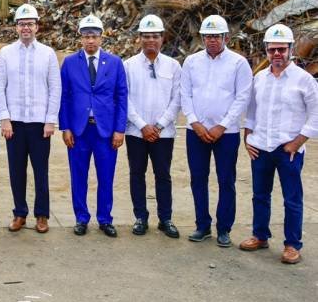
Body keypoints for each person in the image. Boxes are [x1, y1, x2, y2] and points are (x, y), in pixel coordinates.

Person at [240, 24, 318, 264]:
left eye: (281, 50)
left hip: (288, 151)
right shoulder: (259, 79)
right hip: (261, 147)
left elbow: (315, 114)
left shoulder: (304, 80)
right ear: (265, 50)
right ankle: (260, 235)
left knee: (292, 198)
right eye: (272, 49)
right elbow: (251, 113)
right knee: (260, 195)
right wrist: (247, 138)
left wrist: (297, 143)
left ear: (291, 50)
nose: (277, 54)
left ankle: (292, 244)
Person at [181, 14, 252, 247]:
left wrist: (223, 125)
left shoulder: (238, 63)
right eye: (208, 36)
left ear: (226, 37)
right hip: (197, 132)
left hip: (226, 134)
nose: (212, 40)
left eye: (216, 36)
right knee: (198, 179)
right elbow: (186, 94)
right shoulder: (191, 62)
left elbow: (242, 97)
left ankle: (224, 229)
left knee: (226, 180)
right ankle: (202, 225)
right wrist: (195, 122)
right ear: (202, 37)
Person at [0, 4, 61, 233]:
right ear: (16, 28)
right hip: (15, 125)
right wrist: (4, 119)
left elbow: (55, 88)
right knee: (16, 171)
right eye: (22, 24)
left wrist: (51, 120)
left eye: (30, 24)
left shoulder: (48, 54)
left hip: (40, 124)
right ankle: (19, 213)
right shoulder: (5, 54)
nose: (26, 28)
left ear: (37, 27)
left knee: (40, 171)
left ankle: (42, 216)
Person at [60, 14, 128, 238]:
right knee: (78, 176)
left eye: (94, 36)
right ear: (80, 38)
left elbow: (121, 97)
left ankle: (105, 219)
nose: (90, 41)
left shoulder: (115, 63)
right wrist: (66, 127)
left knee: (106, 176)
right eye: (86, 36)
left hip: (105, 132)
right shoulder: (70, 63)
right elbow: (65, 97)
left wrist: (120, 129)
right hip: (79, 131)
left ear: (102, 37)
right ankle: (81, 217)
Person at [123, 15, 181, 238]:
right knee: (137, 173)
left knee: (163, 175)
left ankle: (165, 218)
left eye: (155, 36)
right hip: (136, 132)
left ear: (162, 38)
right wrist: (142, 125)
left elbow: (177, 99)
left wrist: (158, 125)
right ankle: (140, 217)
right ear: (139, 38)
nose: (150, 41)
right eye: (146, 36)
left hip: (163, 134)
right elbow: (124, 98)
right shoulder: (128, 66)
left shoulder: (173, 66)